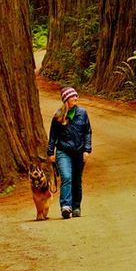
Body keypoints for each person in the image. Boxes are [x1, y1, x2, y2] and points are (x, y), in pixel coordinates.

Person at [47, 86, 92, 219]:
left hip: (79, 152)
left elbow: (87, 132)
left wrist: (87, 150)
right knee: (66, 177)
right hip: (63, 151)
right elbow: (53, 136)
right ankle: (66, 206)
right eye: (73, 97)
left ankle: (76, 206)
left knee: (77, 180)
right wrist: (50, 152)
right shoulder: (58, 116)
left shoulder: (82, 113)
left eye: (76, 96)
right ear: (66, 99)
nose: (76, 98)